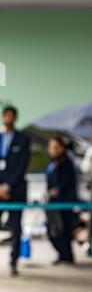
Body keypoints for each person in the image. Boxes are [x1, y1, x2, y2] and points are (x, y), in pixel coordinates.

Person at [0, 106, 30, 276]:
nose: (8, 118)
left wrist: (7, 186)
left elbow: (21, 166)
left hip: (15, 191)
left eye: (12, 116)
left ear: (15, 118)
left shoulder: (23, 139)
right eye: (6, 115)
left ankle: (13, 262)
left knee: (15, 227)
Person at [46, 136, 82, 265]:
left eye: (56, 147)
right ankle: (63, 254)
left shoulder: (67, 163)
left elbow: (68, 182)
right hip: (53, 203)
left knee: (64, 229)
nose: (53, 150)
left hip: (65, 201)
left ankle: (67, 256)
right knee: (54, 229)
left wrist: (58, 190)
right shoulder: (51, 164)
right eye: (51, 147)